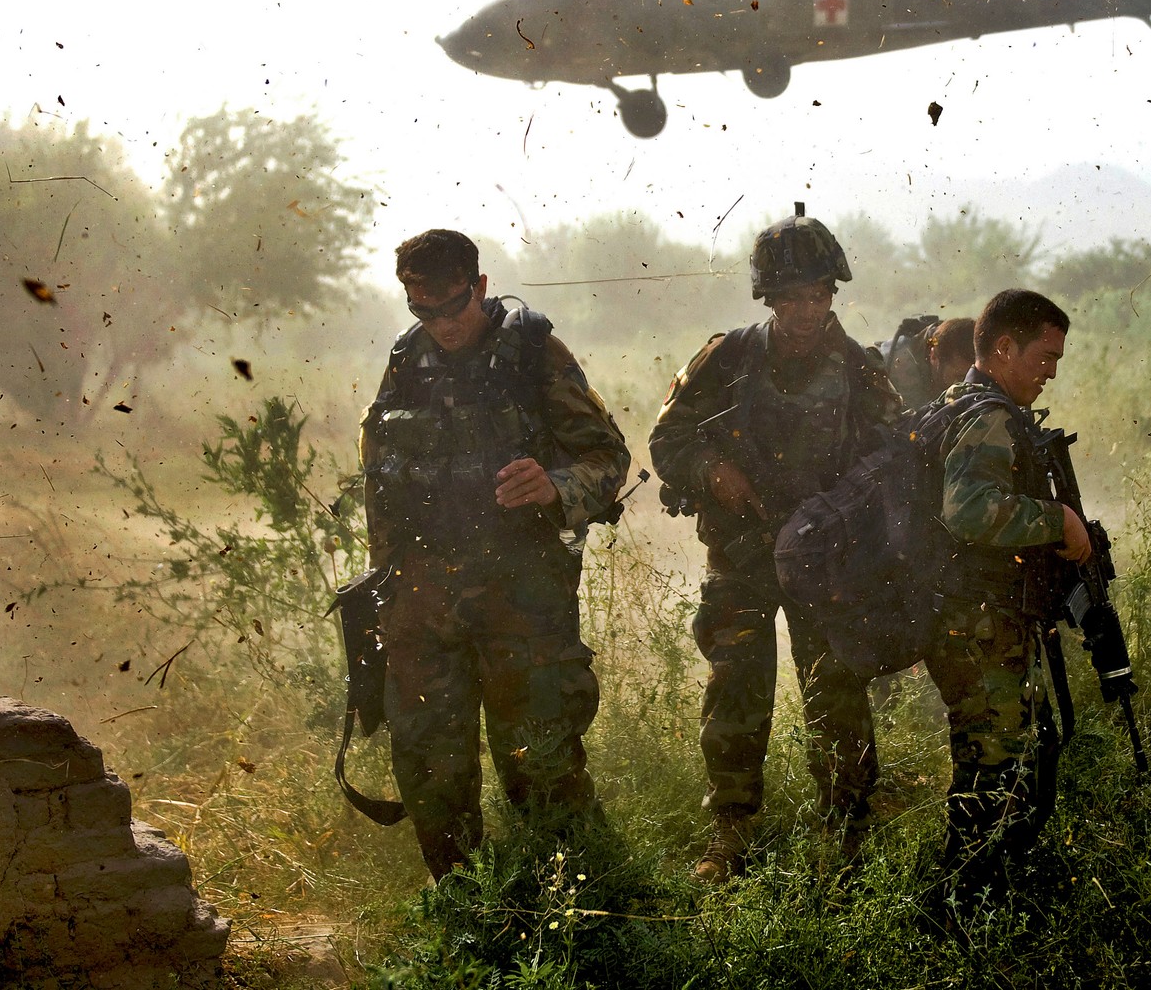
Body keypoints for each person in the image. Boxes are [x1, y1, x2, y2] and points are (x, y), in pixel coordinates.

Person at [359, 229, 631, 879]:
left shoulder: (534, 353)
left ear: (478, 287)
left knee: (541, 768)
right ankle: (465, 910)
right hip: (426, 606)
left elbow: (609, 456)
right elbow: (380, 474)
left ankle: (582, 909)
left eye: (451, 307)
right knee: (431, 769)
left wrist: (555, 484)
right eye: (422, 310)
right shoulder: (407, 360)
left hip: (522, 606)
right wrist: (386, 586)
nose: (440, 324)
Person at [649, 208, 901, 882]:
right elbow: (666, 440)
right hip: (742, 557)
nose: (803, 310)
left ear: (832, 294)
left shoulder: (859, 369)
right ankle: (732, 829)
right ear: (769, 298)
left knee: (836, 690)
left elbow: (895, 460)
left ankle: (845, 832)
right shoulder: (728, 357)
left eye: (815, 296)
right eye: (790, 298)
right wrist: (712, 471)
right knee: (735, 688)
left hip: (828, 565)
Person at [924, 288, 1093, 907]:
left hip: (975, 621)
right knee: (995, 773)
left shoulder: (961, 402)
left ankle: (980, 895)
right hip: (981, 625)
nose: (1051, 371)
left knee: (997, 764)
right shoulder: (990, 416)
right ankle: (963, 907)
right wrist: (1058, 522)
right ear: (1002, 348)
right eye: (1043, 356)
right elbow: (968, 510)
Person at [876, 315, 977, 409]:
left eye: (974, 375)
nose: (968, 384)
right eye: (960, 377)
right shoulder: (900, 371)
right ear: (933, 357)